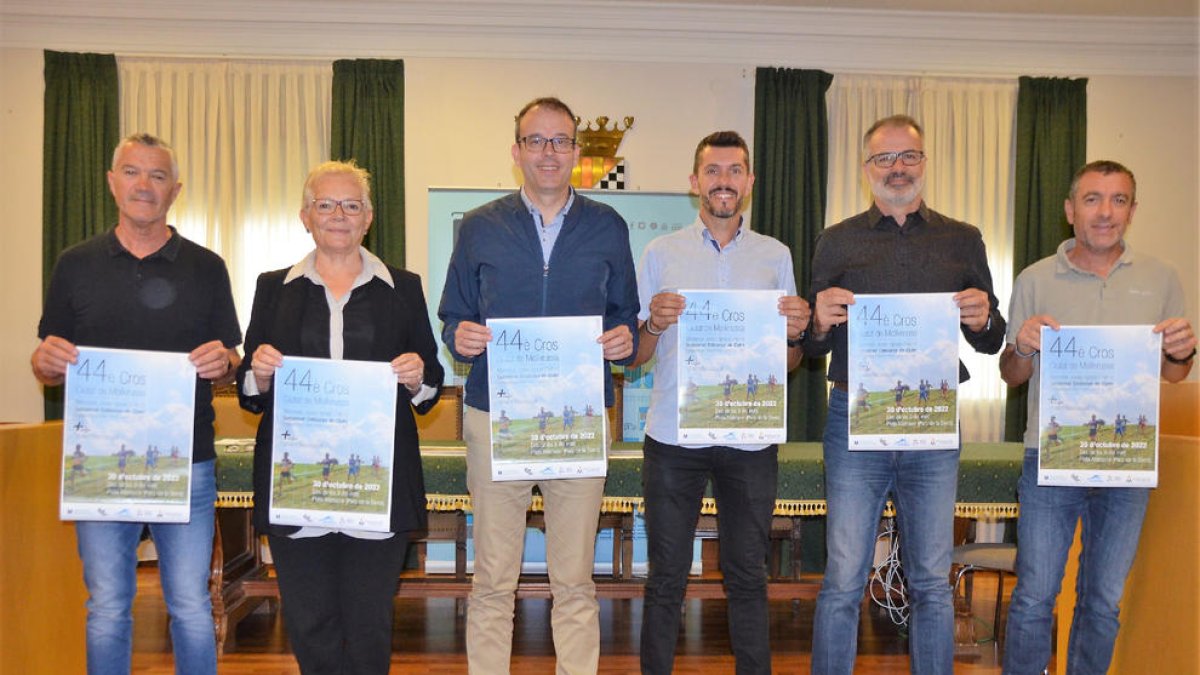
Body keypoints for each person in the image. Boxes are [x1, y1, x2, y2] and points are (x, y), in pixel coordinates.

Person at [438, 96, 639, 674]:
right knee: (493, 577)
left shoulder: (607, 226)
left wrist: (624, 339)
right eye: (536, 140)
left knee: (574, 579)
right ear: (516, 151)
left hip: (577, 420)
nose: (549, 153)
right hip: (494, 417)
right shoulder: (479, 227)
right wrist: (462, 338)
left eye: (561, 141)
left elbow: (624, 314)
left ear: (577, 152)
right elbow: (454, 316)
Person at [31, 132, 242, 675]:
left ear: (175, 190)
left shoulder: (207, 267)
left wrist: (225, 361)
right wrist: (46, 362)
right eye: (131, 172)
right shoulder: (74, 265)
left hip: (187, 462)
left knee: (192, 606)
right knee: (106, 607)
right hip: (98, 466)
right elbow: (47, 360)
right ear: (111, 181)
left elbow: (231, 359)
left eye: (156, 176)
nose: (143, 185)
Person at [804, 115, 1006, 675]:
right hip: (854, 417)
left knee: (930, 580)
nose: (897, 168)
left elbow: (991, 341)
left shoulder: (962, 239)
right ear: (866, 168)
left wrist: (986, 316)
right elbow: (814, 344)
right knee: (844, 576)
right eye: (884, 159)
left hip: (932, 420)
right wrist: (818, 321)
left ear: (924, 161)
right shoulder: (836, 240)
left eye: (908, 156)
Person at [236, 160, 443, 674]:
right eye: (325, 204)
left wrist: (418, 375)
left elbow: (432, 380)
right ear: (305, 216)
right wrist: (259, 373)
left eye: (351, 205)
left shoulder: (404, 286)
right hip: (297, 486)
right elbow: (248, 388)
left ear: (368, 217)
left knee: (369, 620)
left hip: (375, 483)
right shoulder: (272, 288)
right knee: (310, 621)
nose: (338, 215)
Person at [1000, 160, 1196, 675]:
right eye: (1092, 199)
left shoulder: (1162, 278)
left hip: (1126, 462)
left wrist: (1183, 350)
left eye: (1118, 200)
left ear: (1133, 211)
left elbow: (1174, 376)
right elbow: (1012, 375)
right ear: (1070, 210)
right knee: (1036, 593)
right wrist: (1021, 344)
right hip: (1050, 459)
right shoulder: (1035, 278)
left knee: (1103, 598)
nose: (1105, 212)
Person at [630, 130, 810, 675]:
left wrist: (795, 336)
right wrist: (654, 324)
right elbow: (635, 355)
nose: (723, 180)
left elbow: (790, 361)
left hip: (749, 440)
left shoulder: (775, 256)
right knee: (665, 577)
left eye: (734, 171)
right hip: (673, 438)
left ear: (749, 182)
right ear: (694, 183)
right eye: (713, 171)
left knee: (748, 575)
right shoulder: (661, 253)